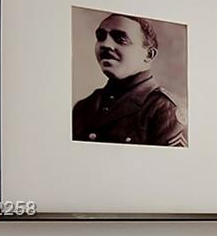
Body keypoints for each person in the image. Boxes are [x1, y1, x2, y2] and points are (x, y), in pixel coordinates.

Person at [72, 12, 186, 147]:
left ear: (149, 55)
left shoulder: (164, 109)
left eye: (120, 39)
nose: (105, 44)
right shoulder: (84, 107)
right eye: (101, 37)